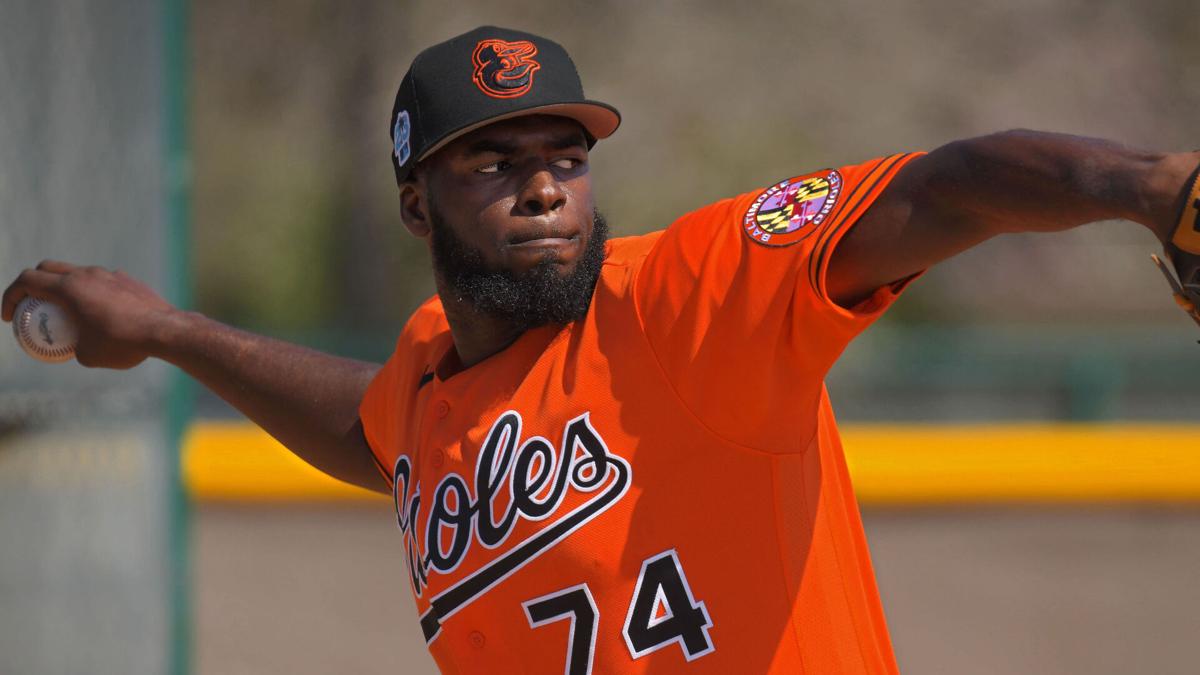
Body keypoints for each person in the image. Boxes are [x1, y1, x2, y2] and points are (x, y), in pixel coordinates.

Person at [4, 24, 1198, 675]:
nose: (543, 192)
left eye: (563, 160)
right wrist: (166, 332)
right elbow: (376, 433)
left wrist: (1153, 188)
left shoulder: (689, 301)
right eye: (492, 162)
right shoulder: (429, 372)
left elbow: (946, 187)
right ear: (416, 206)